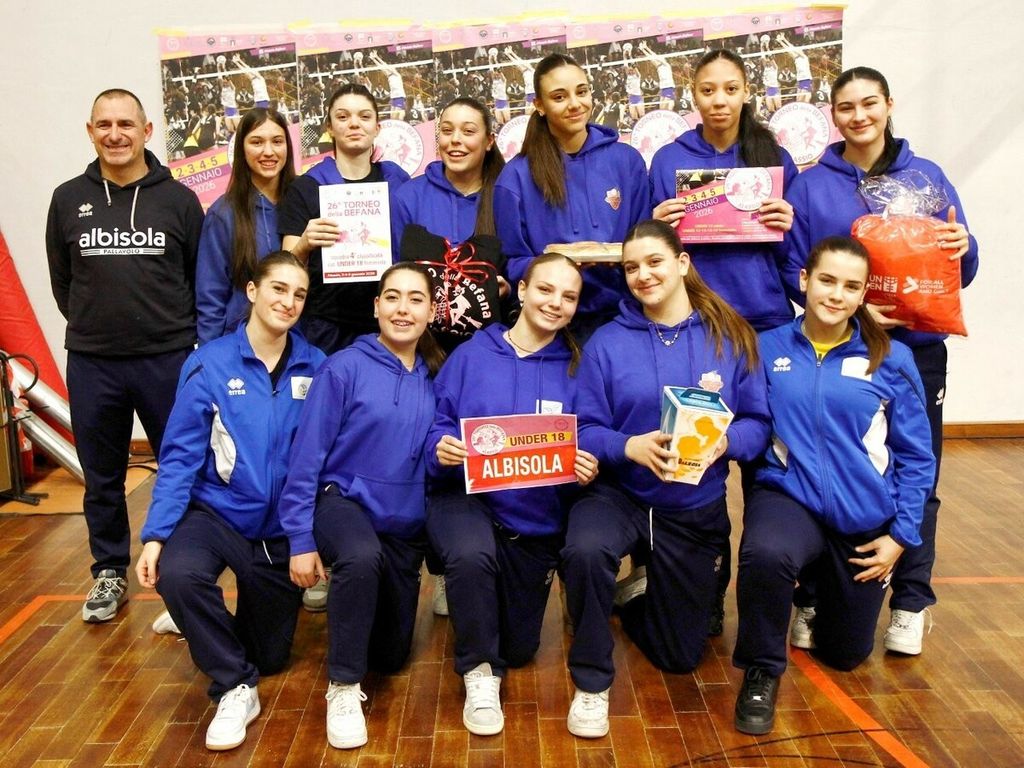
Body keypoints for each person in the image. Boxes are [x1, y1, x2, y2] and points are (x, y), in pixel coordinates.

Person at [784, 66, 978, 656]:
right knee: (823, 466)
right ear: (833, 116)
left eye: (869, 103)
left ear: (889, 105)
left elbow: (961, 267)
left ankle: (911, 601)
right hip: (836, 351)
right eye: (846, 107)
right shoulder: (811, 187)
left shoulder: (927, 176)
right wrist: (852, 309)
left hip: (916, 351)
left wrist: (964, 248)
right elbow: (793, 270)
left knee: (920, 468)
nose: (859, 116)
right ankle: (811, 595)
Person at [561, 220, 770, 738]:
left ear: (682, 263)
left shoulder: (731, 335)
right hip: (620, 493)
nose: (643, 275)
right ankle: (591, 680)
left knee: (679, 657)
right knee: (584, 550)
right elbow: (584, 429)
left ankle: (636, 593)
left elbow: (758, 424)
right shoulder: (607, 343)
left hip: (691, 503)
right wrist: (626, 446)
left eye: (654, 262)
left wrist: (726, 443)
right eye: (631, 267)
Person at [732, 236, 935, 735]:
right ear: (804, 280)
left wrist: (900, 537)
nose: (836, 295)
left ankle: (815, 592)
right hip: (790, 495)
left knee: (845, 654)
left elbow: (917, 457)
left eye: (850, 286)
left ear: (863, 294)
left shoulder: (892, 358)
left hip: (862, 513)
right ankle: (761, 670)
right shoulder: (767, 347)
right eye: (826, 280)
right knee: (765, 551)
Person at [135, 253, 324, 750]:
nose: (288, 302)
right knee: (179, 574)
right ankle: (235, 686)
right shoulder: (209, 363)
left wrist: (307, 534)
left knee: (271, 657)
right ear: (252, 291)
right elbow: (179, 456)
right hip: (217, 513)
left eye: (299, 294)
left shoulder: (318, 366)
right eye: (278, 288)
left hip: (278, 529)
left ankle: (197, 621)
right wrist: (156, 534)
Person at [649, 47, 798, 632]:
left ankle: (769, 592)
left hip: (763, 328)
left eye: (730, 89)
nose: (719, 100)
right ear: (693, 94)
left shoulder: (773, 156)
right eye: (708, 89)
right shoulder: (669, 159)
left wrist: (787, 225)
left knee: (765, 466)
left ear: (745, 92)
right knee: (698, 461)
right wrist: (661, 221)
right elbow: (653, 246)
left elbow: (794, 255)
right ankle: (704, 592)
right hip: (699, 326)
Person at [45, 88, 204, 623]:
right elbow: (63, 282)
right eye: (105, 125)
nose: (115, 135)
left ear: (147, 131)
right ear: (90, 131)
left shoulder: (179, 200)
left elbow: (196, 277)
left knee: (181, 469)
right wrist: (98, 326)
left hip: (168, 359)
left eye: (126, 124)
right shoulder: (67, 198)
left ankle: (182, 576)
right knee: (101, 477)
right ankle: (109, 571)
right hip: (93, 362)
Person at [425, 254, 599, 736]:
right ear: (521, 291)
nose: (555, 303)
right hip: (467, 501)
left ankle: (486, 621)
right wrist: (440, 447)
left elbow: (590, 436)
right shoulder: (471, 355)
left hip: (535, 522)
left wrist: (586, 465)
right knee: (470, 554)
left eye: (568, 296)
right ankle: (479, 673)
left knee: (519, 650)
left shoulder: (578, 368)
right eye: (545, 289)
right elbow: (437, 424)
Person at [280, 263, 443, 750]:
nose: (402, 309)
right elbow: (306, 458)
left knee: (390, 657)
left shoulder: (436, 377)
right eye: (392, 297)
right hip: (343, 502)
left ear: (432, 311)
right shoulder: (344, 367)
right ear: (376, 307)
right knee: (360, 556)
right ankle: (344, 686)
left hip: (403, 522)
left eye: (415, 299)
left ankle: (363, 638)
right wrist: (300, 540)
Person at [493, 53, 650, 340]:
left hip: (623, 317)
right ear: (539, 105)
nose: (575, 104)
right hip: (551, 324)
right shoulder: (515, 177)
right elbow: (512, 262)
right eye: (559, 97)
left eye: (582, 91)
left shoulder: (627, 161)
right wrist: (556, 266)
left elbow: (643, 240)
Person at [278, 83, 410, 354]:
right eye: (343, 116)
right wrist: (304, 244)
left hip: (388, 322)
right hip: (325, 326)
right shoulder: (306, 187)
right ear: (329, 127)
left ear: (377, 127)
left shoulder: (397, 182)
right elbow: (285, 268)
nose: (354, 124)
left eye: (364, 116)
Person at [196, 107, 295, 343]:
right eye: (257, 142)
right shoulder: (224, 213)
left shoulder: (305, 201)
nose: (268, 151)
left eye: (277, 141)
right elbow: (211, 298)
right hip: (241, 345)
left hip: (300, 345)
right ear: (241, 148)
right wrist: (210, 356)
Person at [639, 41, 676, 111]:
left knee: (667, 107)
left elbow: (655, 56)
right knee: (661, 108)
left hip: (669, 87)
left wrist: (646, 47)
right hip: (663, 88)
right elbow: (650, 58)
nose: (657, 60)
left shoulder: (667, 65)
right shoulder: (658, 67)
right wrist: (643, 50)